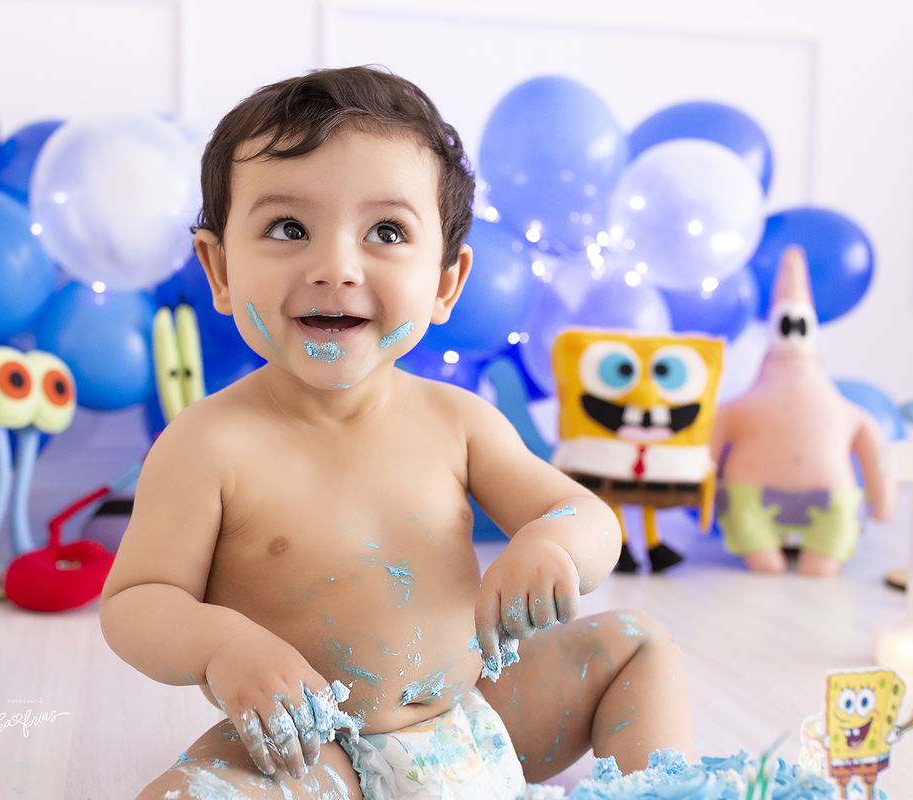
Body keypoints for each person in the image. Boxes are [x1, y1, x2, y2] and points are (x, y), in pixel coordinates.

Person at [100, 66, 692, 800]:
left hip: (480, 718)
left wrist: (551, 543)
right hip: (318, 748)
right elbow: (137, 601)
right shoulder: (208, 445)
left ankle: (655, 793)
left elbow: (589, 517)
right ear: (219, 270)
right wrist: (223, 647)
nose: (335, 266)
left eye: (385, 232)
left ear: (446, 281)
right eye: (289, 228)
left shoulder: (458, 423)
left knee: (638, 646)